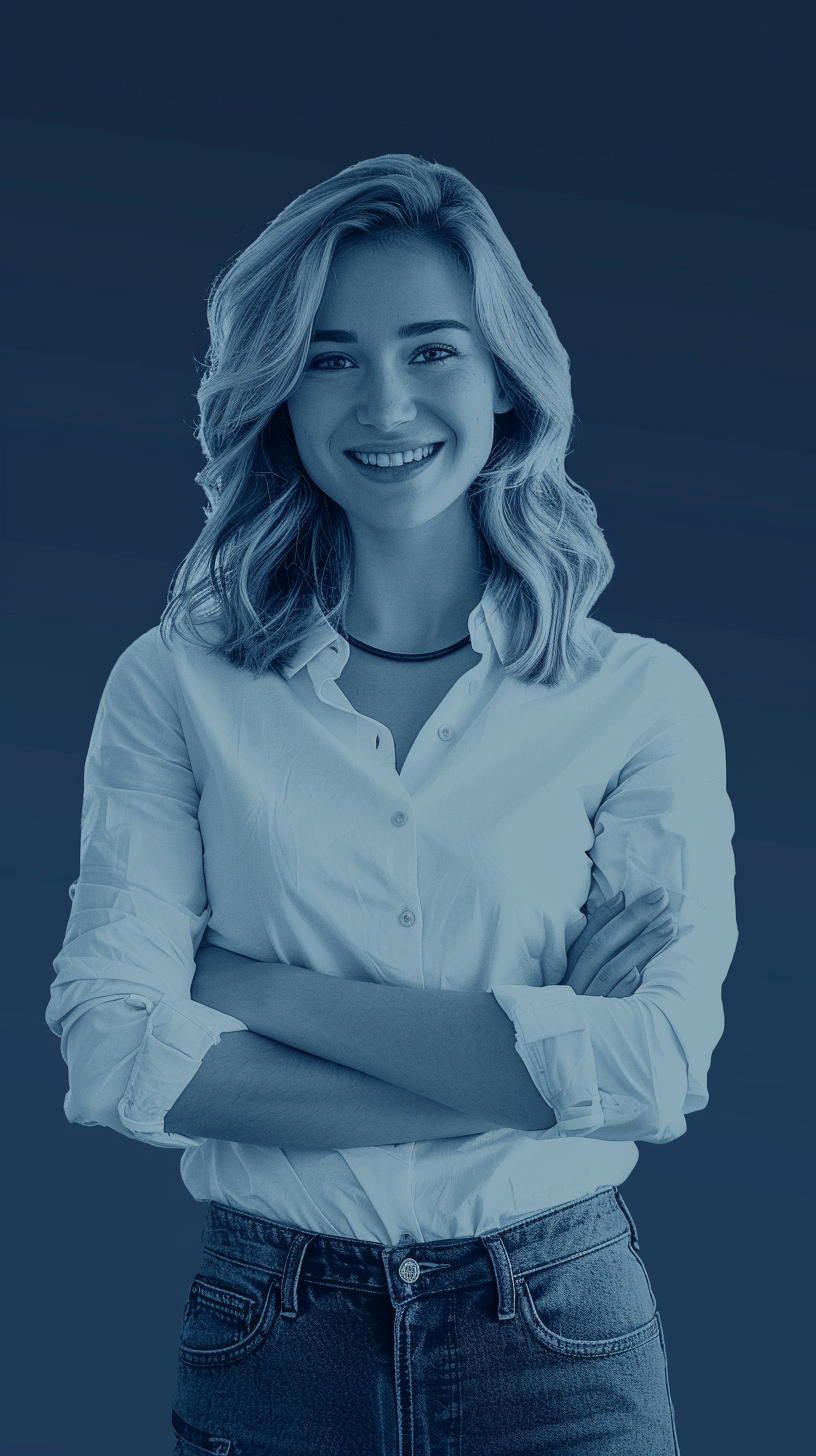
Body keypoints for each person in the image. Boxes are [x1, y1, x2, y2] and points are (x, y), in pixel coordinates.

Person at [46, 154, 737, 1455]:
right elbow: (112, 1050)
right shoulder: (177, 684)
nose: (385, 400)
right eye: (328, 357)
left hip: (562, 1335)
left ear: (506, 383)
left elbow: (655, 1065)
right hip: (272, 1326)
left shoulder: (638, 698)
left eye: (433, 351)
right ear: (276, 392)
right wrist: (535, 1067)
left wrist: (254, 990)